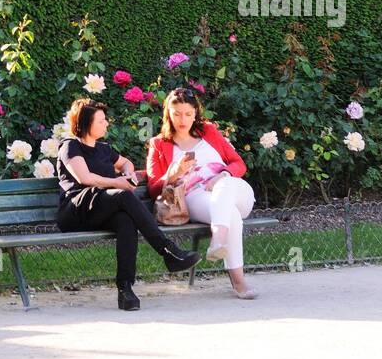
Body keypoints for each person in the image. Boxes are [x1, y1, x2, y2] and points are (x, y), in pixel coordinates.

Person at [56, 97, 201, 311]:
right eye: (101, 121)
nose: (106, 124)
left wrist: (128, 174)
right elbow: (84, 178)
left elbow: (126, 163)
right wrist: (117, 183)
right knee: (123, 197)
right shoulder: (70, 147)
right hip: (77, 209)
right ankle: (168, 252)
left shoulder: (104, 149)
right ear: (87, 124)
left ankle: (125, 290)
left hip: (102, 207)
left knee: (125, 222)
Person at [146, 86, 258, 299]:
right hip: (195, 196)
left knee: (224, 187)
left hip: (233, 190)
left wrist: (222, 175)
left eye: (188, 114)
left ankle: (218, 241)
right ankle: (239, 281)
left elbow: (238, 163)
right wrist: (173, 173)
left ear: (195, 113)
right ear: (168, 113)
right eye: (177, 113)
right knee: (230, 215)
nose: (183, 119)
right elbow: (153, 187)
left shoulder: (209, 132)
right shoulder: (159, 144)